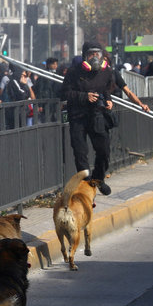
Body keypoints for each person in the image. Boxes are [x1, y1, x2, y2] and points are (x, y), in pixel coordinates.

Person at [60, 41, 115, 196]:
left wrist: (109, 100)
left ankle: (98, 179)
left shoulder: (106, 72)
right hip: (78, 117)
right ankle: (86, 184)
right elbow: (64, 93)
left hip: (97, 115)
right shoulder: (74, 72)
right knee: (80, 152)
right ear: (85, 56)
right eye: (91, 54)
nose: (95, 57)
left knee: (104, 150)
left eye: (97, 53)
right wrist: (84, 96)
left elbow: (106, 89)